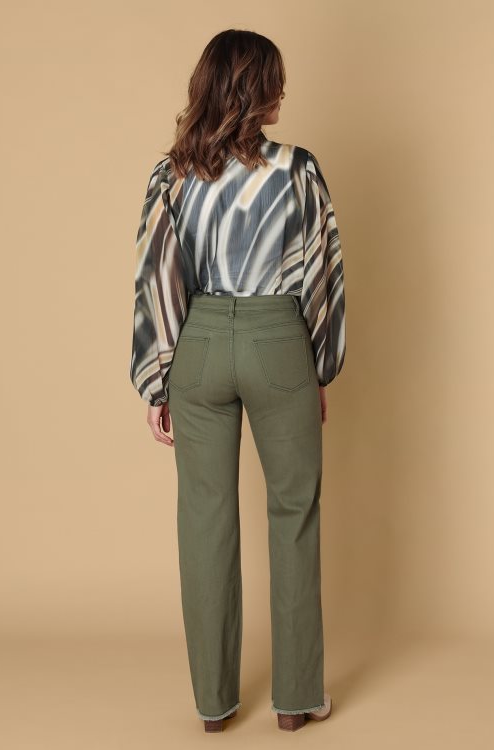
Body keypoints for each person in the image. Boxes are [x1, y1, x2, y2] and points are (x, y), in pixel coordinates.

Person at [129, 28, 346, 733]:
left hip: (198, 342)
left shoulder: (172, 175)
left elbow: (157, 278)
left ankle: (213, 706)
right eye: (275, 80)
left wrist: (158, 379)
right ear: (256, 91)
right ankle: (296, 700)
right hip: (278, 339)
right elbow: (321, 272)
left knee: (205, 518)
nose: (284, 91)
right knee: (294, 512)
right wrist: (317, 366)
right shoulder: (298, 170)